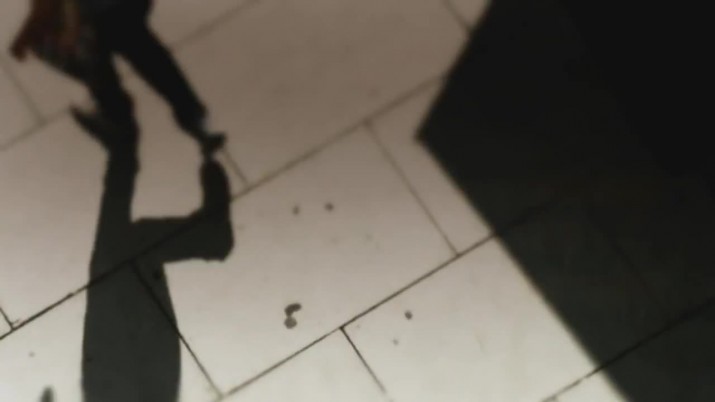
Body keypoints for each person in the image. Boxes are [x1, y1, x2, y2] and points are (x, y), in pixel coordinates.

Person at [10, 0, 225, 154]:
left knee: (92, 59)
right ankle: (192, 116)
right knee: (153, 61)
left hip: (96, 18)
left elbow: (46, 7)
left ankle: (117, 115)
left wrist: (25, 38)